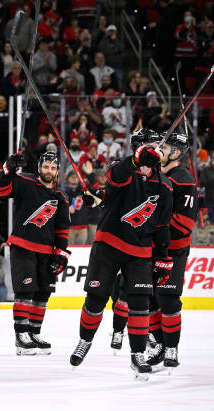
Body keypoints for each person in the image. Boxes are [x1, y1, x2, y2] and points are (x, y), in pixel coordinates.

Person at [70, 128, 173, 380]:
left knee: (139, 303)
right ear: (138, 147)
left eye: (155, 146)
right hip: (109, 244)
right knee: (96, 297)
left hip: (140, 251)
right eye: (148, 145)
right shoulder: (124, 169)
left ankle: (138, 355)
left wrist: (163, 256)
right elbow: (115, 179)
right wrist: (135, 160)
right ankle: (85, 341)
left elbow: (161, 226)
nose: (155, 149)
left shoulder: (166, 186)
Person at [0, 151, 71, 355]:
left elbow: (62, 228)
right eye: (46, 167)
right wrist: (8, 170)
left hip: (46, 251)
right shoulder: (25, 182)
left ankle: (34, 332)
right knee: (25, 291)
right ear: (39, 168)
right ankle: (21, 335)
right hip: (23, 246)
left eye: (53, 168)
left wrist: (61, 253)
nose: (49, 171)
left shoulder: (60, 197)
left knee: (43, 294)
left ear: (57, 171)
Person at [145, 133, 197, 369]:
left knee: (167, 299)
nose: (159, 150)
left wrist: (154, 229)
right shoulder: (157, 175)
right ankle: (161, 345)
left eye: (164, 148)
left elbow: (184, 224)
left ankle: (172, 348)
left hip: (172, 250)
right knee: (150, 299)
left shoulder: (183, 180)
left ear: (175, 153)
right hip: (151, 249)